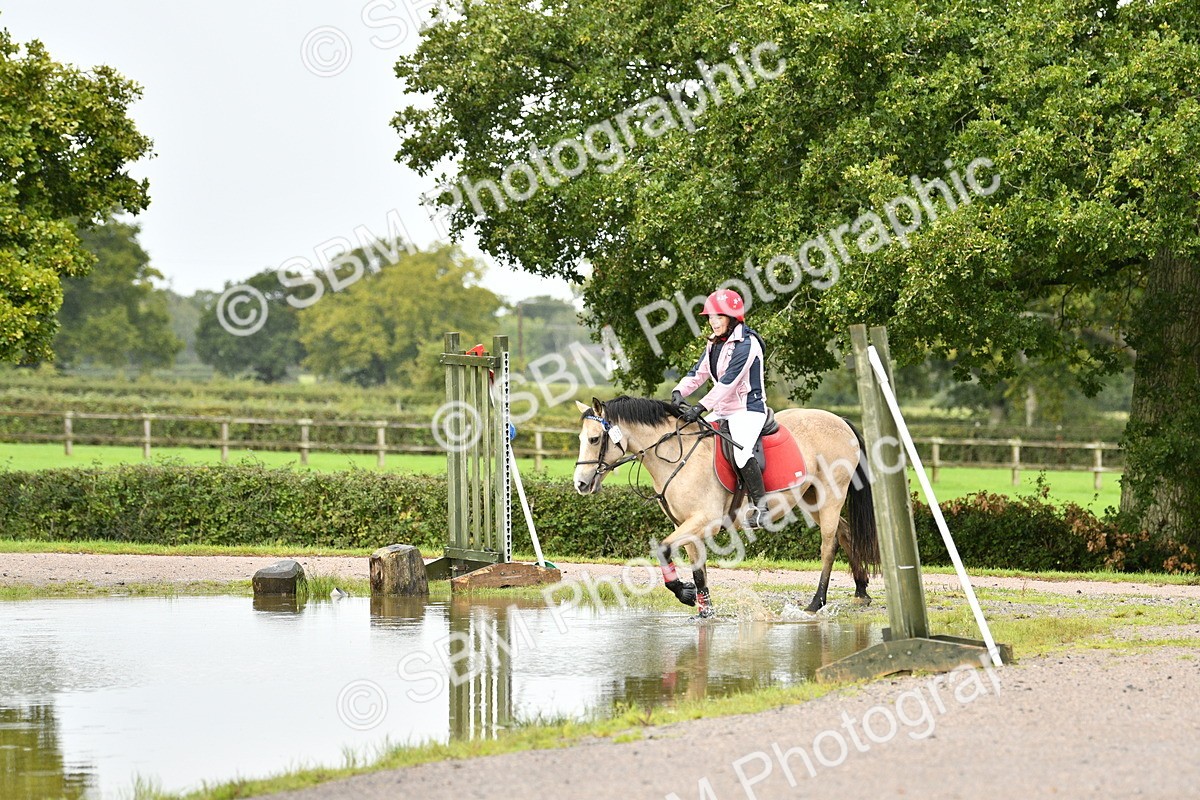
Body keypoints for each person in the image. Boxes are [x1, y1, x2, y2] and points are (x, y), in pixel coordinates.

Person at [670, 288, 771, 527]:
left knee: (741, 452)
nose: (713, 322)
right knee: (692, 438)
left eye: (719, 316)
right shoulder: (714, 343)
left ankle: (762, 509)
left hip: (748, 410)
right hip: (724, 410)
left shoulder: (748, 344)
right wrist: (678, 391)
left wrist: (700, 407)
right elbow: (699, 372)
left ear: (733, 318)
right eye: (711, 317)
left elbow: (728, 382)